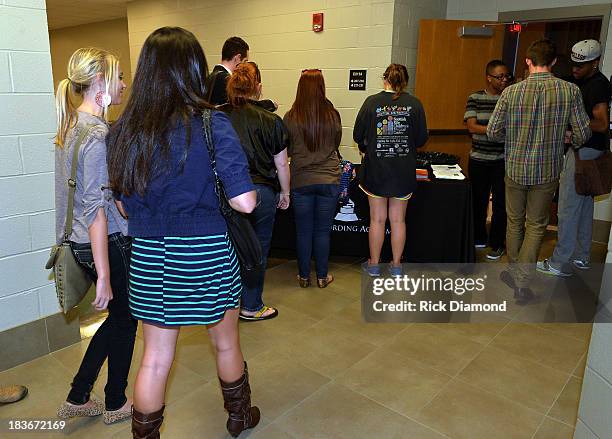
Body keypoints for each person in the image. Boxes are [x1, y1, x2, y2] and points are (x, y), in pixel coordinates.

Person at [107, 27, 259, 438]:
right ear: (193, 69)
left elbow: (122, 203)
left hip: (151, 258)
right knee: (225, 343)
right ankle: (239, 415)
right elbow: (245, 202)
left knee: (155, 358)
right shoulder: (212, 123)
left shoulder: (123, 131)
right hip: (206, 251)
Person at [53, 48, 135, 425]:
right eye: (118, 77)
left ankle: (79, 394)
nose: (123, 84)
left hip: (78, 242)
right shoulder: (98, 134)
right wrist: (103, 273)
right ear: (100, 81)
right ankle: (116, 402)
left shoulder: (70, 126)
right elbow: (96, 209)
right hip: (107, 244)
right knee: (125, 321)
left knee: (117, 319)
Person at [487, 39, 591, 305]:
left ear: (528, 61)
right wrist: (567, 137)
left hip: (515, 168)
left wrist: (515, 136)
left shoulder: (510, 93)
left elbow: (493, 131)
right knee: (536, 225)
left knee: (514, 222)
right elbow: (583, 133)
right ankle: (522, 283)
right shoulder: (570, 91)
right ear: (554, 62)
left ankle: (514, 274)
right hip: (547, 170)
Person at [220, 61, 290, 321]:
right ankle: (251, 305)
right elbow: (281, 163)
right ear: (258, 88)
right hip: (262, 191)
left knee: (227, 249)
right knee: (258, 249)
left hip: (227, 193)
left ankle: (227, 305)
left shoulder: (217, 117)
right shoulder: (271, 120)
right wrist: (286, 192)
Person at [538, 40, 610, 276]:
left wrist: (572, 128)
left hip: (585, 152)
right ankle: (581, 257)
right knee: (584, 207)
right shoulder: (583, 81)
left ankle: (560, 262)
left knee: (568, 208)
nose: (576, 69)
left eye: (582, 65)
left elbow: (601, 123)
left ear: (596, 63)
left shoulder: (598, 85)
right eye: (574, 64)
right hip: (590, 151)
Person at [354, 63, 428, 277]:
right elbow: (422, 138)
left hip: (376, 169)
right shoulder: (414, 104)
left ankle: (374, 264)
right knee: (398, 220)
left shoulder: (372, 102)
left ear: (384, 79)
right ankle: (396, 266)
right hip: (403, 170)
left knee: (377, 219)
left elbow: (358, 135)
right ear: (405, 82)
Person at [283, 69, 342, 288]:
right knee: (322, 231)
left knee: (303, 231)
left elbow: (285, 149)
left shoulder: (291, 116)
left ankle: (304, 276)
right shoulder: (332, 114)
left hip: (301, 180)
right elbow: (336, 143)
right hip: (328, 180)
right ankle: (322, 276)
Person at [464, 60, 511, 260]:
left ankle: (497, 243)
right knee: (478, 201)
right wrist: (495, 131)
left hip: (502, 160)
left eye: (506, 76)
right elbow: (472, 127)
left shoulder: (510, 98)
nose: (504, 80)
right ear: (489, 77)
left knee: (501, 204)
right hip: (479, 160)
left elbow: (513, 128)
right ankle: (478, 237)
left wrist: (490, 131)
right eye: (499, 77)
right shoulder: (475, 97)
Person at [205, 36, 249, 106]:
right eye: (244, 61)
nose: (245, 66)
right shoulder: (228, 81)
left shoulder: (210, 77)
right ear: (237, 58)